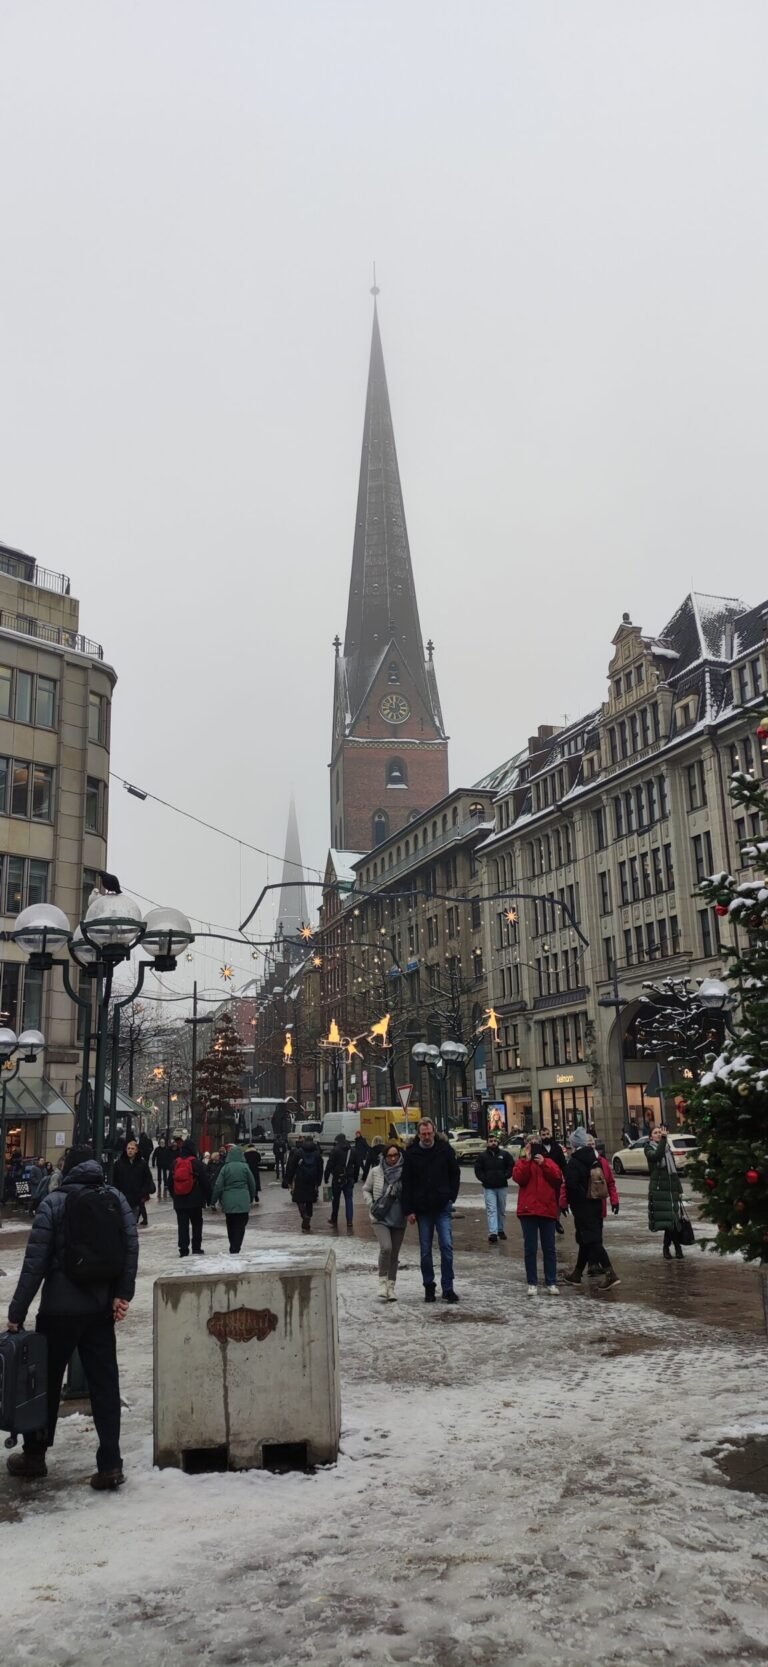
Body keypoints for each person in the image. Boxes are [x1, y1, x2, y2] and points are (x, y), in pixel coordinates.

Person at [5, 1145, 137, 1489]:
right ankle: (110, 1463)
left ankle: (34, 1455)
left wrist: (16, 1313)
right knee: (105, 1384)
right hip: (99, 1307)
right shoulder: (116, 1199)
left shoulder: (54, 1203)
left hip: (59, 1310)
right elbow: (130, 1246)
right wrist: (122, 1294)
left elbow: (34, 1265)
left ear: (68, 1170)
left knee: (44, 1383)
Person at [402, 1119, 461, 1304]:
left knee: (447, 1247)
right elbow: (407, 1183)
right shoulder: (412, 1154)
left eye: (429, 1133)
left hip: (442, 1205)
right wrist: (409, 1209)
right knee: (425, 1250)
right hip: (422, 1208)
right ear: (418, 1134)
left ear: (434, 1132)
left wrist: (451, 1195)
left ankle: (448, 1287)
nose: (427, 1137)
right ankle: (429, 1286)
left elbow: (455, 1173)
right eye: (423, 1134)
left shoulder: (445, 1150)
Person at [562, 1128, 620, 1290]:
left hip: (582, 1207)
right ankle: (577, 1274)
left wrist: (573, 1201)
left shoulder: (574, 1161)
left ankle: (610, 1273)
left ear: (574, 1144)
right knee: (585, 1240)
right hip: (596, 1203)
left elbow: (571, 1185)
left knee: (592, 1240)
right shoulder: (595, 1158)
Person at [512, 1141, 562, 1294]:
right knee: (530, 1248)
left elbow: (557, 1177)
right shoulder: (522, 1163)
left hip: (547, 1211)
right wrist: (526, 1161)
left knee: (549, 1249)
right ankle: (532, 1282)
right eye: (529, 1147)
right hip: (529, 1211)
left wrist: (544, 1163)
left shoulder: (549, 1162)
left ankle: (551, 1281)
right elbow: (519, 1178)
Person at [363, 1143, 406, 1299]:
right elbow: (366, 1189)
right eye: (390, 1156)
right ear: (384, 1156)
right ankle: (382, 1282)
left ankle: (391, 1286)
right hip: (380, 1217)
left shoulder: (405, 1172)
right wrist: (371, 1203)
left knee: (394, 1254)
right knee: (386, 1248)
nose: (393, 1158)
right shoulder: (376, 1171)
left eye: (396, 1155)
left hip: (399, 1217)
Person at [646, 1125, 685, 1258]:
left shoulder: (668, 1149)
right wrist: (663, 1139)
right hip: (659, 1190)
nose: (658, 1134)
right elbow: (656, 1156)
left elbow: (673, 1171)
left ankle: (668, 1247)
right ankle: (675, 1248)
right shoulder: (648, 1148)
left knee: (672, 1220)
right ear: (651, 1137)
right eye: (655, 1133)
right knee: (670, 1221)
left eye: (659, 1132)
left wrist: (679, 1189)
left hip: (670, 1189)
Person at [212, 1143, 258, 1253]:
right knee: (241, 1224)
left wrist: (213, 1200)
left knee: (230, 1223)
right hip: (243, 1200)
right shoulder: (245, 1167)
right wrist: (251, 1197)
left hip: (228, 1200)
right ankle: (236, 1246)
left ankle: (232, 1243)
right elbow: (252, 1184)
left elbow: (218, 1185)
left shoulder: (225, 1168)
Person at [170, 1139, 209, 1257]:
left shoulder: (175, 1163)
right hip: (195, 1201)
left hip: (180, 1201)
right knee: (197, 1224)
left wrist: (175, 1196)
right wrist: (208, 1198)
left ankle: (183, 1249)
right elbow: (205, 1182)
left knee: (182, 1226)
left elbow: (169, 1182)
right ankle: (196, 1248)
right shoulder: (197, 1163)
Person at [473, 1133, 514, 1242]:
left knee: (501, 1209)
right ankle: (493, 1233)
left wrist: (506, 1175)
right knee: (491, 1209)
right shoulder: (482, 1156)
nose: (493, 1143)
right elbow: (478, 1169)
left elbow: (511, 1165)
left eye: (495, 1141)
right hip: (489, 1187)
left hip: (502, 1186)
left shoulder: (504, 1155)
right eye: (491, 1141)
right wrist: (484, 1179)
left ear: (498, 1142)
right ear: (487, 1142)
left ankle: (500, 1230)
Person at [285, 1135, 324, 1232]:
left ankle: (304, 1214)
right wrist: (318, 1182)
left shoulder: (299, 1152)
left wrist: (289, 1181)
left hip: (300, 1179)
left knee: (299, 1199)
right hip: (312, 1180)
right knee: (310, 1200)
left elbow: (292, 1167)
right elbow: (320, 1169)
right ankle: (308, 1218)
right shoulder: (317, 1154)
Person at [114, 1138, 155, 1226]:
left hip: (136, 1198)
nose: (130, 1150)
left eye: (132, 1149)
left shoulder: (142, 1164)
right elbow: (115, 1180)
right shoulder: (119, 1164)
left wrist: (142, 1192)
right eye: (128, 1148)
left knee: (132, 1222)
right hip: (123, 1197)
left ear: (136, 1150)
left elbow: (147, 1179)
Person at [324, 1134, 360, 1231]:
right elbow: (357, 1165)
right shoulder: (352, 1151)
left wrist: (326, 1177)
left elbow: (329, 1164)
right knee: (349, 1199)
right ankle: (349, 1221)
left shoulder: (335, 1150)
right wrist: (355, 1178)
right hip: (349, 1178)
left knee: (335, 1199)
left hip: (337, 1178)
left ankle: (334, 1218)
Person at [539, 1127, 568, 1235]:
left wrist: (566, 1176)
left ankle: (557, 1220)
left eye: (547, 1134)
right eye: (543, 1134)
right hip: (543, 1180)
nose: (546, 1136)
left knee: (558, 1201)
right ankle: (548, 1221)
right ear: (540, 1136)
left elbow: (563, 1163)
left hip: (556, 1179)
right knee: (545, 1201)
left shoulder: (557, 1148)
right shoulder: (539, 1149)